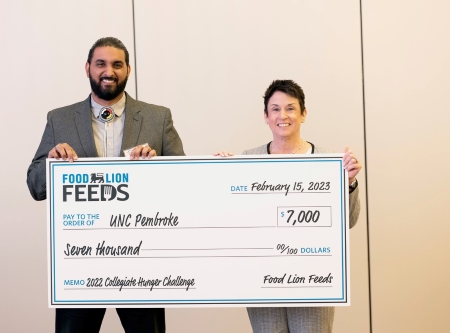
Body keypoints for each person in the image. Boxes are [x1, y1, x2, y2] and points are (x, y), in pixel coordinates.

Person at [27, 37, 184, 333]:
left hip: (142, 261)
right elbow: (35, 185)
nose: (108, 71)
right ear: (87, 68)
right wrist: (52, 163)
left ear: (128, 70)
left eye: (116, 64)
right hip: (81, 262)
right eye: (100, 63)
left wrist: (158, 168)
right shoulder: (59, 119)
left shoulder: (157, 117)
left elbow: (185, 183)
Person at [215, 79, 361, 333]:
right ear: (266, 116)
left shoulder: (328, 161)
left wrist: (349, 182)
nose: (283, 115)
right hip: (262, 280)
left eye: (291, 108)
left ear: (303, 114)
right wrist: (219, 175)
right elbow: (230, 219)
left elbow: (348, 220)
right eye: (275, 109)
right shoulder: (247, 160)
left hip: (313, 280)